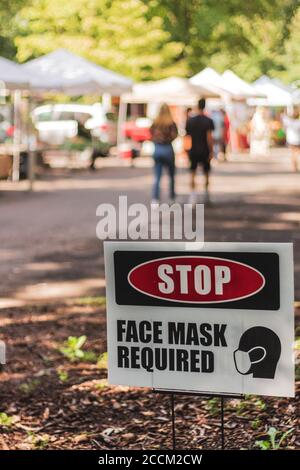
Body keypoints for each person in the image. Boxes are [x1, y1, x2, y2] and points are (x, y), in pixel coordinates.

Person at [185, 98, 214, 204]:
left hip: (193, 150)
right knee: (206, 173)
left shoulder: (190, 121)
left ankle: (192, 196)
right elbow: (209, 137)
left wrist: (186, 151)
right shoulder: (208, 121)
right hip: (205, 150)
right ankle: (206, 194)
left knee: (192, 173)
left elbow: (187, 138)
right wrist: (211, 151)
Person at [150, 104, 178, 203]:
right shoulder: (171, 123)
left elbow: (150, 134)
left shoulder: (155, 122)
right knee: (171, 175)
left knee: (157, 176)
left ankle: (155, 199)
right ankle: (172, 197)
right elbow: (175, 135)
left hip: (157, 148)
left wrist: (157, 139)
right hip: (167, 148)